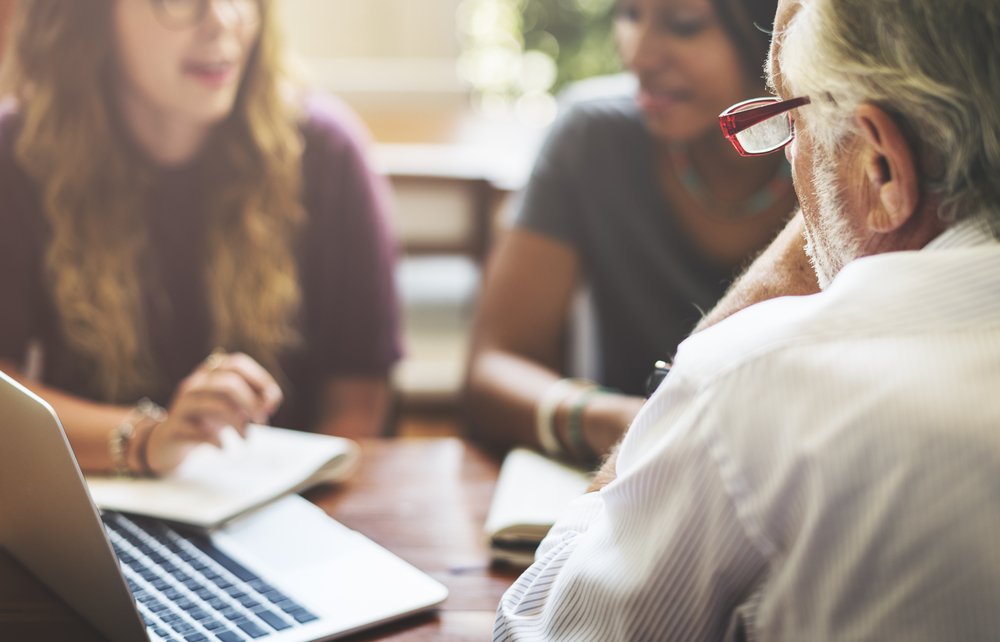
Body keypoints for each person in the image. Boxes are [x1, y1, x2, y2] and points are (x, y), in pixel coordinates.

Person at [494, 0, 1000, 638]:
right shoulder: (595, 136)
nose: (639, 53)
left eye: (794, 123)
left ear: (881, 165)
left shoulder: (749, 382)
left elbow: (543, 627)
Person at [0, 0, 400, 476]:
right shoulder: (19, 155)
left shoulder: (329, 155)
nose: (222, 19)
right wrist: (148, 439)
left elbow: (358, 404)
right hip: (99, 510)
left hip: (286, 510)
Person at [465, 0, 799, 464]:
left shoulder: (837, 156)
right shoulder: (592, 137)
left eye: (684, 25)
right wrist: (612, 421)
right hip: (629, 474)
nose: (638, 55)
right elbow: (491, 368)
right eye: (627, 15)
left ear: (774, 31)